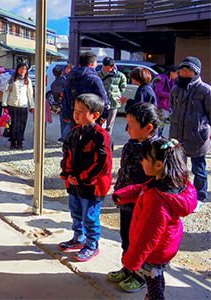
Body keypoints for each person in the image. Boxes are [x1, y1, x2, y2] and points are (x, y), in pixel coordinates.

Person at [112, 138, 197, 300]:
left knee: (153, 279)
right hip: (165, 245)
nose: (141, 162)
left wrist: (131, 260)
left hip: (155, 251)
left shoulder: (156, 199)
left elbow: (148, 235)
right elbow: (143, 188)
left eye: (144, 159)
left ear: (158, 165)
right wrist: (124, 194)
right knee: (157, 274)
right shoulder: (172, 182)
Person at [107, 102, 164, 293]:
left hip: (144, 208)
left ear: (148, 128)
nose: (127, 127)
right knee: (126, 239)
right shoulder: (131, 144)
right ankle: (128, 267)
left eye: (131, 124)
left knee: (140, 243)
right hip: (127, 204)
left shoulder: (157, 151)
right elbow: (123, 170)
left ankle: (140, 276)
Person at [58, 93, 112, 262]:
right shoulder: (73, 132)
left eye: (82, 110)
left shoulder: (100, 135)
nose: (76, 113)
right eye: (75, 109)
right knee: (76, 212)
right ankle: (78, 238)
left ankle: (91, 244)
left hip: (92, 185)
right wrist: (67, 174)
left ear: (95, 115)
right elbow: (66, 154)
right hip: (74, 183)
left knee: (90, 216)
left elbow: (103, 163)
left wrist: (82, 178)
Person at [169, 56, 211, 213]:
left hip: (197, 137)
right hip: (177, 135)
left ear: (196, 72)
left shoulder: (205, 90)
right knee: (178, 167)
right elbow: (173, 108)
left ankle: (200, 197)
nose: (184, 73)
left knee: (199, 169)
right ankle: (181, 192)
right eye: (182, 70)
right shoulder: (175, 89)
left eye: (188, 70)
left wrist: (206, 133)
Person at [62, 52, 109, 128]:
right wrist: (104, 114)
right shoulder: (94, 79)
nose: (96, 65)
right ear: (90, 64)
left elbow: (66, 97)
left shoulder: (70, 77)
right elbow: (102, 98)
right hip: (91, 117)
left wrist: (67, 114)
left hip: (75, 117)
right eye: (95, 63)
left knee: (77, 137)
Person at [2, 62, 34, 150]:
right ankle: (12, 142)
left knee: (21, 125)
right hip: (12, 105)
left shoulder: (28, 80)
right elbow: (6, 92)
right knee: (12, 125)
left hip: (23, 106)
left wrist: (32, 106)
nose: (23, 71)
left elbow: (30, 94)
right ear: (17, 69)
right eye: (21, 69)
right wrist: (4, 104)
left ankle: (20, 142)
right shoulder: (11, 79)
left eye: (24, 69)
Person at [97, 57, 127, 135]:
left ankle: (107, 139)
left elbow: (123, 87)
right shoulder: (98, 75)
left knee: (109, 125)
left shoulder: (120, 75)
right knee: (99, 123)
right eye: (104, 67)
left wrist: (117, 95)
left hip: (114, 102)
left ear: (112, 67)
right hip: (102, 102)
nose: (106, 70)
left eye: (108, 68)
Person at [154, 65, 178, 136]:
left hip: (167, 105)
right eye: (177, 73)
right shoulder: (163, 79)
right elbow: (158, 91)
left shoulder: (172, 80)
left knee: (164, 122)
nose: (177, 75)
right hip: (161, 105)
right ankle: (158, 135)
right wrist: (170, 94)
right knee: (161, 122)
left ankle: (159, 135)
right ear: (171, 73)